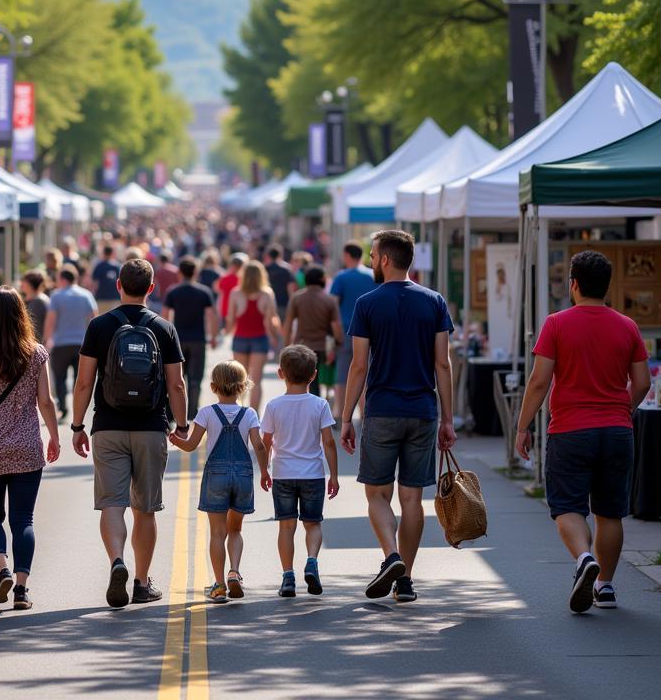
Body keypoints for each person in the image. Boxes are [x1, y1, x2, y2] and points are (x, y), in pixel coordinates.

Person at [515, 249, 650, 614]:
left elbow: (540, 381)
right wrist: (624, 407)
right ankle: (604, 585)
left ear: (573, 284)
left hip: (570, 430)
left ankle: (583, 558)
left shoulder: (556, 324)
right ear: (607, 286)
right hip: (617, 430)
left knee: (567, 507)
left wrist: (523, 425)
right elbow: (642, 382)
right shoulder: (627, 326)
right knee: (610, 512)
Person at [340, 229, 456, 604]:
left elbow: (359, 366)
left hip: (383, 411)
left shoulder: (368, 304)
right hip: (423, 411)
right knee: (412, 499)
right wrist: (448, 418)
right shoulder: (434, 301)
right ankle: (404, 579)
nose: (372, 261)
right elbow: (443, 362)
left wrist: (345, 418)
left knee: (376, 493)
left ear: (386, 259)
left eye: (373, 255)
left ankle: (390, 556)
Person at [71, 258, 188, 608]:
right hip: (151, 428)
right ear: (152, 289)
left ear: (118, 284)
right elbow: (176, 384)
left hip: (107, 427)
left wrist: (77, 426)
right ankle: (140, 582)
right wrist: (181, 426)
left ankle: (117, 561)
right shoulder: (164, 329)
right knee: (146, 508)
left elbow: (82, 383)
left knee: (112, 503)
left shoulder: (99, 326)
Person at [0, 286, 60, 611]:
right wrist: (55, 436)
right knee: (24, 520)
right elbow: (46, 401)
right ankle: (21, 590)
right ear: (22, 314)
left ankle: (1, 568)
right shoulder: (36, 354)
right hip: (27, 447)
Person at [168, 360, 268, 603]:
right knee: (235, 529)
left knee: (217, 532)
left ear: (213, 387)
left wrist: (175, 439)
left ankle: (220, 584)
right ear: (243, 387)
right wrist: (265, 472)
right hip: (242, 475)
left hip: (217, 476)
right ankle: (234, 570)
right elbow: (259, 445)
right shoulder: (250, 414)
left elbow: (191, 445)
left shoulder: (207, 413)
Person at [261, 345, 339, 598]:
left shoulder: (273, 406)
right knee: (313, 524)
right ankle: (312, 561)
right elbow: (328, 442)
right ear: (314, 375)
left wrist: (264, 469)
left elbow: (266, 442)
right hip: (313, 474)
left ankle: (287, 577)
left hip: (283, 473)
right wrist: (334, 476)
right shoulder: (320, 405)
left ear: (281, 373)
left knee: (286, 527)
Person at [164, 257, 219, 420]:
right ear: (196, 272)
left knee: (175, 379)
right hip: (198, 340)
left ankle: (173, 413)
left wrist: (165, 338)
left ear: (179, 273)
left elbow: (166, 316)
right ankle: (192, 414)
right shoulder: (204, 292)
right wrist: (214, 336)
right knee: (195, 380)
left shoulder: (173, 291)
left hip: (178, 340)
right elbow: (212, 316)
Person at [329, 241, 377, 420]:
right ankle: (365, 414)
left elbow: (332, 304)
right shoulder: (373, 276)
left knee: (342, 374)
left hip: (345, 331)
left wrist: (332, 331)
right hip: (370, 332)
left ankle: (342, 414)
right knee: (366, 373)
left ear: (347, 255)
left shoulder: (341, 277)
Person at [227, 259, 281, 413]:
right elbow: (271, 320)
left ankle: (238, 413)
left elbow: (230, 319)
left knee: (239, 380)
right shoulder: (267, 293)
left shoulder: (236, 293)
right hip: (260, 339)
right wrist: (275, 335)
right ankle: (254, 416)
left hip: (240, 338)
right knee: (256, 381)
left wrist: (226, 333)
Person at [283, 265, 343, 401]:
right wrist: (339, 342)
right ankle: (316, 409)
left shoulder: (297, 298)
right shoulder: (329, 300)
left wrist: (286, 346)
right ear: (322, 279)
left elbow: (288, 324)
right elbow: (336, 326)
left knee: (301, 381)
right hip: (322, 346)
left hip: (301, 346)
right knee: (317, 381)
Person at [46, 265, 97, 421]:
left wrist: (47, 339)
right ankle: (78, 407)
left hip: (61, 343)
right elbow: (94, 318)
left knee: (60, 377)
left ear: (62, 279)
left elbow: (51, 320)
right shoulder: (86, 295)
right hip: (82, 343)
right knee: (79, 378)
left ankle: (63, 407)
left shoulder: (56, 296)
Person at [264, 246, 295, 324]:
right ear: (280, 255)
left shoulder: (265, 269)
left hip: (268, 303)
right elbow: (290, 287)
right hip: (283, 303)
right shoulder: (287, 269)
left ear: (268, 255)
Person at [88, 243, 122, 314]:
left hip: (102, 298)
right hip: (115, 298)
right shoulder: (117, 266)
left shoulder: (99, 266)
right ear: (112, 253)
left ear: (103, 253)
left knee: (103, 321)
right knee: (115, 321)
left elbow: (94, 283)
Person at [20, 270, 51, 342]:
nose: (21, 284)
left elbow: (34, 328)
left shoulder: (38, 302)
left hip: (36, 344)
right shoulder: (38, 299)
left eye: (23, 281)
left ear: (29, 284)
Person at [216, 253, 245, 325]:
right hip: (239, 310)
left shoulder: (224, 278)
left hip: (225, 310)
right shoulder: (243, 280)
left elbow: (217, 289)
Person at [149, 250, 180, 314]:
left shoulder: (158, 272)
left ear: (160, 260)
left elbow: (156, 286)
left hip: (162, 298)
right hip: (175, 298)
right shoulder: (175, 270)